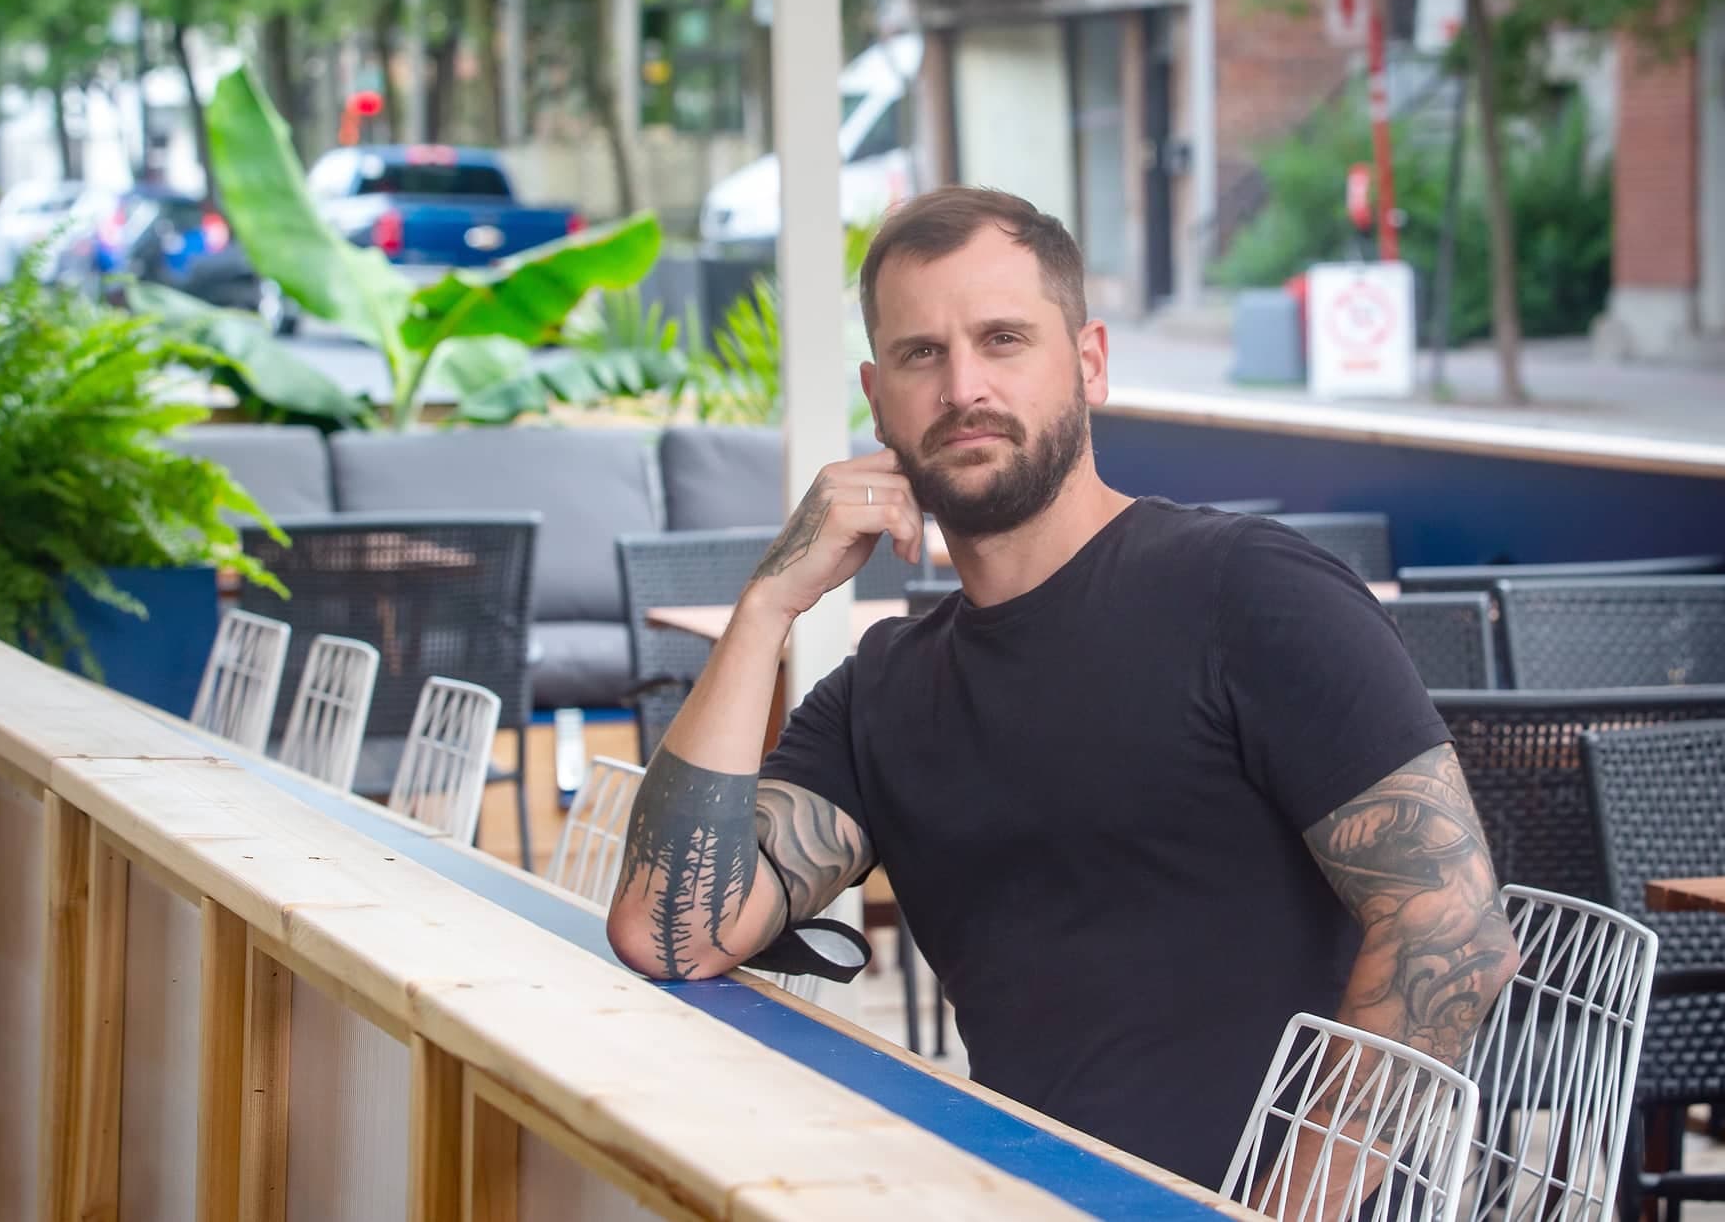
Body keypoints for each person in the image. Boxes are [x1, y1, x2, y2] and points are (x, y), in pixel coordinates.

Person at [605, 186, 1517, 1194]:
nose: (962, 387)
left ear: (1087, 360)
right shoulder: (884, 691)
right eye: (921, 353)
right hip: (1024, 1192)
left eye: (1002, 339)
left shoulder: (1246, 589)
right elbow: (665, 931)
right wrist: (768, 603)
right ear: (877, 395)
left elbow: (1453, 929)